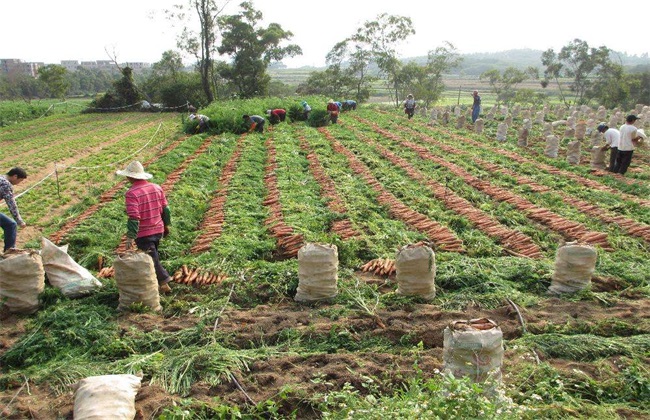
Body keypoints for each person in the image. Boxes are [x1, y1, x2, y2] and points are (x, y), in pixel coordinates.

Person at [116, 161, 172, 293]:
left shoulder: (131, 193)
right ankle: (156, 283)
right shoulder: (157, 187)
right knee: (154, 255)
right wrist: (166, 225)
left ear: (130, 177)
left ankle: (164, 281)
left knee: (151, 259)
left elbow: (134, 217)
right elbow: (166, 209)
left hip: (144, 233)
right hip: (158, 229)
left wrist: (130, 236)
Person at [1, 167, 27, 252]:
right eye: (20, 180)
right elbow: (11, 204)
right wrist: (19, 221)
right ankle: (9, 252)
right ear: (15, 176)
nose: (19, 183)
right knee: (11, 225)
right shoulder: (6, 184)